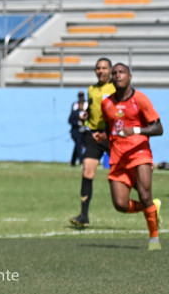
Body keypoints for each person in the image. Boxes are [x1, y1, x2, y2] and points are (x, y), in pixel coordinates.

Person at [98, 63, 163, 249]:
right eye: (115, 73)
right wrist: (101, 136)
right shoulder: (107, 103)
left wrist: (134, 130)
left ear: (130, 76)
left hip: (139, 153)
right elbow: (109, 129)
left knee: (144, 195)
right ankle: (152, 207)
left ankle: (154, 239)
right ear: (111, 78)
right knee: (120, 204)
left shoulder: (140, 99)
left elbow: (158, 128)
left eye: (122, 72)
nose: (118, 76)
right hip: (118, 157)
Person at [70, 58, 115, 228]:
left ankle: (148, 204)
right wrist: (86, 116)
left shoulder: (115, 88)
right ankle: (84, 215)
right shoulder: (91, 89)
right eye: (98, 68)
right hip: (94, 136)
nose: (101, 71)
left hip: (111, 136)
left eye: (104, 68)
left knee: (126, 173)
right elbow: (91, 109)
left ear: (110, 70)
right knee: (87, 173)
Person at [68, 91, 87, 166]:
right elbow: (70, 120)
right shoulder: (75, 111)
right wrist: (78, 123)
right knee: (78, 144)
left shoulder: (85, 112)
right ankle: (81, 161)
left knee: (78, 146)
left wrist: (85, 123)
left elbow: (87, 121)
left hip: (83, 131)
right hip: (75, 131)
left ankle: (73, 161)